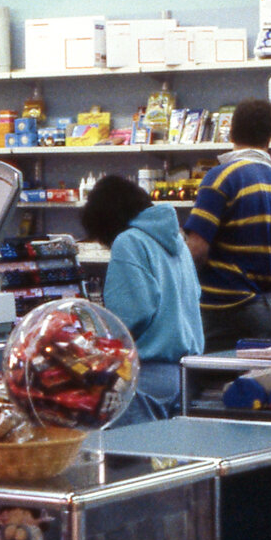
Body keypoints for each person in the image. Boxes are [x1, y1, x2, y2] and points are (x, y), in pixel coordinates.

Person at [81, 174, 202, 419]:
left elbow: (129, 315)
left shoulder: (129, 241)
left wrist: (94, 338)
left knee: (131, 445)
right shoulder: (178, 241)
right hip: (186, 375)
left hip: (145, 376)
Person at [184, 98, 271, 352]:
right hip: (267, 314)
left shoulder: (220, 177)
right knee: (267, 378)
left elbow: (197, 250)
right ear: (270, 137)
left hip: (221, 314)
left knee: (210, 377)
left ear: (232, 132)